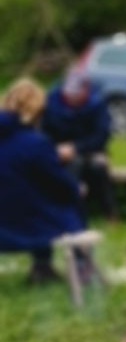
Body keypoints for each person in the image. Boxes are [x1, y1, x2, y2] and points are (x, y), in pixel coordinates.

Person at [0, 78, 88, 284]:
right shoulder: (35, 143)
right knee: (69, 199)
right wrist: (77, 188)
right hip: (25, 225)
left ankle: (43, 266)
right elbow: (59, 184)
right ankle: (81, 266)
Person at [42, 68, 117, 219]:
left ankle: (111, 214)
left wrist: (75, 147)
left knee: (97, 166)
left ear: (86, 89)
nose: (71, 96)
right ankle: (68, 213)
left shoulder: (97, 104)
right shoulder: (51, 101)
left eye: (76, 93)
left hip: (89, 150)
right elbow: (43, 132)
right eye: (69, 92)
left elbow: (101, 136)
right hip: (57, 151)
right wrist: (56, 149)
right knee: (74, 163)